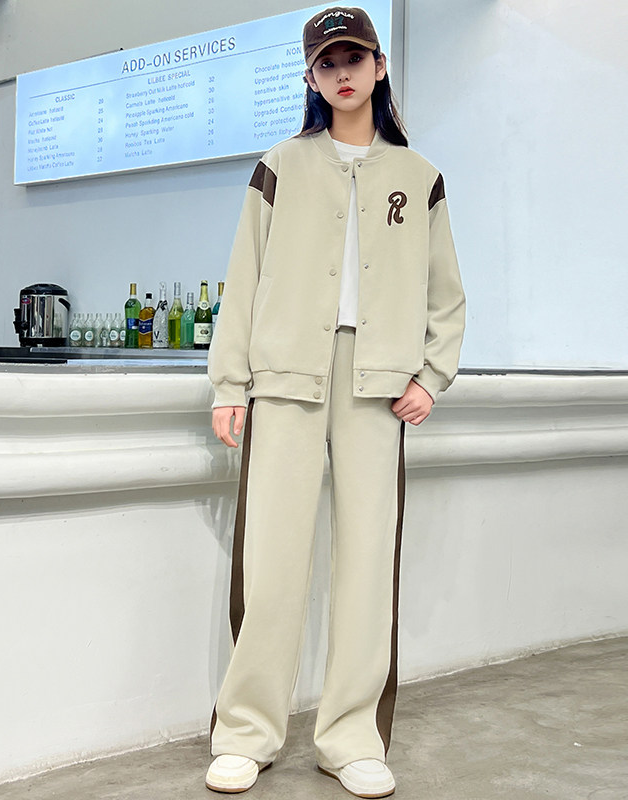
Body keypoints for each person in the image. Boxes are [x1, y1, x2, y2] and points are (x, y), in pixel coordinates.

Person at [204, 6, 465, 797]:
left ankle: (352, 738)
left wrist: (430, 375)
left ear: (379, 67)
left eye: (355, 58)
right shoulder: (280, 165)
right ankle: (246, 733)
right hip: (286, 377)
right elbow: (244, 277)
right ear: (311, 78)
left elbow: (446, 294)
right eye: (328, 62)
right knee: (271, 564)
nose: (343, 73)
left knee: (366, 566)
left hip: (377, 387)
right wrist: (230, 384)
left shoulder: (419, 177)